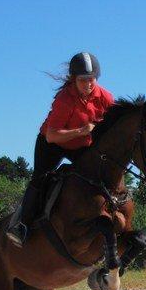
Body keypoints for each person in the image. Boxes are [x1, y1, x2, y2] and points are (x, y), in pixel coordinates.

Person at [6, 52, 115, 247]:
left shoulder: (106, 98)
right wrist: (82, 130)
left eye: (91, 79)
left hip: (81, 145)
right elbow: (52, 135)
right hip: (52, 144)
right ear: (74, 79)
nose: (88, 85)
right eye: (83, 80)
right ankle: (21, 226)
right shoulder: (64, 99)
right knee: (40, 178)